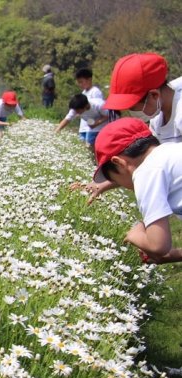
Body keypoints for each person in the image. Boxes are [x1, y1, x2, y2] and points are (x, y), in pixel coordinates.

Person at [77, 53, 182, 203]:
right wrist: (102, 184)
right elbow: (144, 161)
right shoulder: (157, 119)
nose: (131, 112)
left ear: (153, 95)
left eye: (132, 106)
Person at [93, 118, 182, 266]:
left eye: (114, 178)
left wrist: (135, 235)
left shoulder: (145, 172)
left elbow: (158, 246)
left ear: (119, 163)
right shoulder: (171, 151)